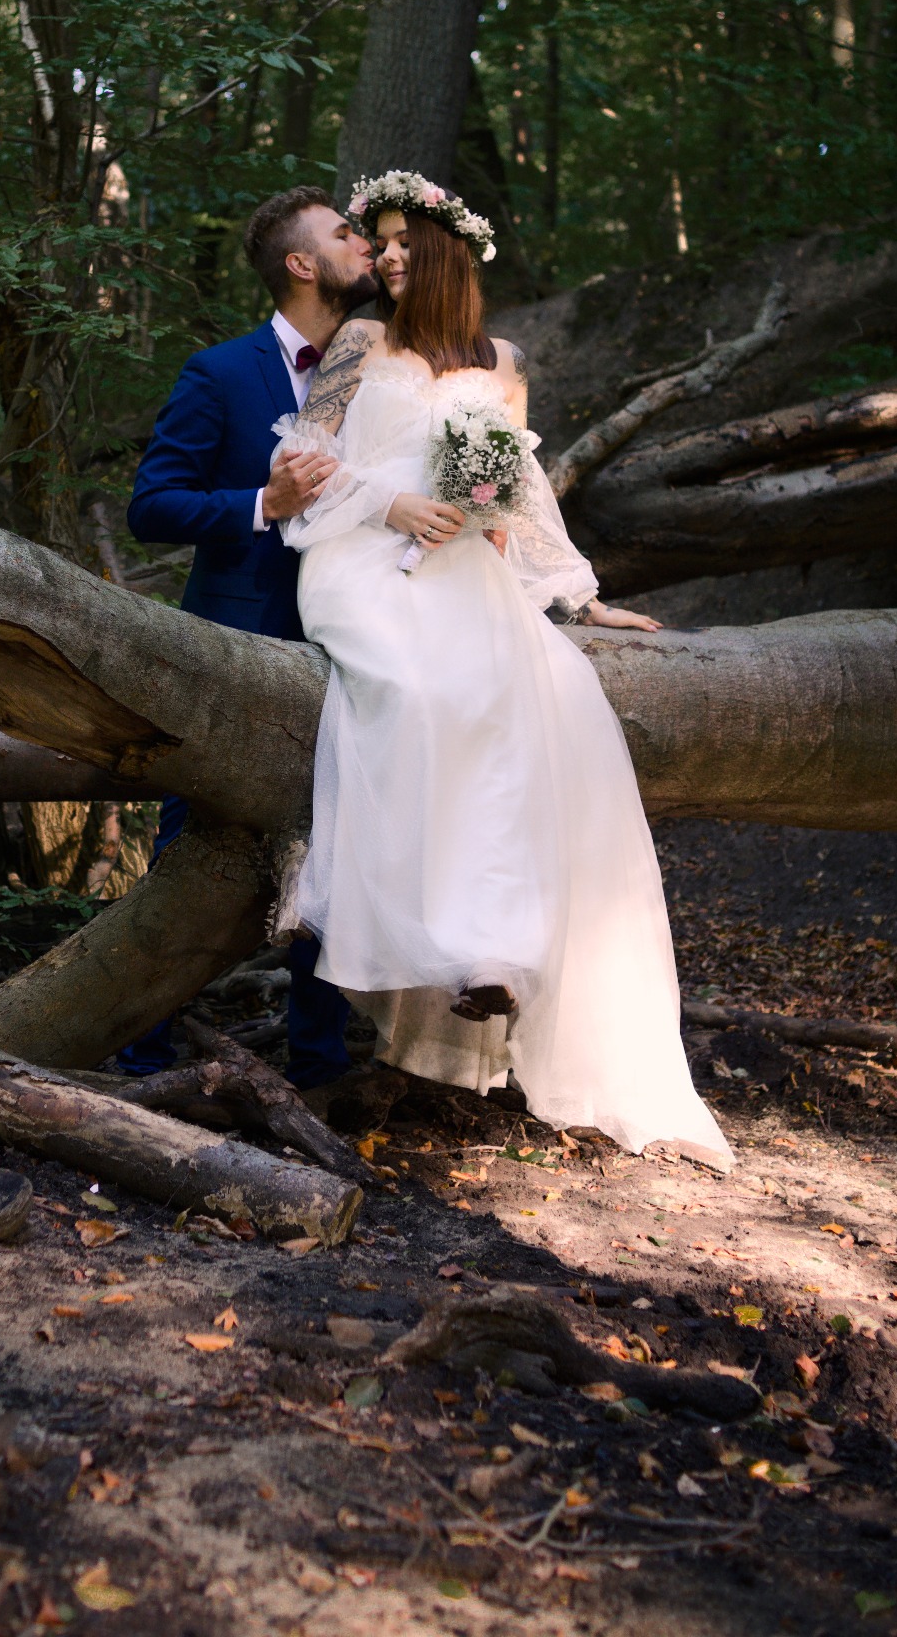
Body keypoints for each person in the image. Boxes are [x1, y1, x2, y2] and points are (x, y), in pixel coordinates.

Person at [276, 170, 733, 1166]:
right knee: (413, 684)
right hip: (358, 555)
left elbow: (512, 495)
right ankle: (430, 928)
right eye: (380, 241)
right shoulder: (360, 344)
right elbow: (302, 458)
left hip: (459, 564)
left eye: (405, 241)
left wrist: (575, 592)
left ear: (451, 251)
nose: (389, 255)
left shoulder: (503, 365)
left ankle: (490, 951)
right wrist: (390, 507)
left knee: (540, 692)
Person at [123, 186, 379, 1085]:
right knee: (192, 842)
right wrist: (263, 505)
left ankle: (320, 1066)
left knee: (343, 842)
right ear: (302, 264)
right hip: (236, 647)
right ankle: (140, 1052)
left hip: (360, 644)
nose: (367, 246)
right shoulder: (220, 373)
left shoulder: (387, 368)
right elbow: (151, 507)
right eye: (345, 234)